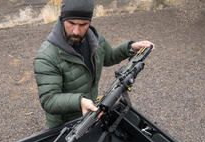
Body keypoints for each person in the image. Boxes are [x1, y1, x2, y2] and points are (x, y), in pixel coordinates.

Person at [33, 0, 154, 128]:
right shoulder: (47, 56)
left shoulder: (95, 40)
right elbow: (49, 100)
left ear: (90, 22)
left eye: (83, 24)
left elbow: (109, 57)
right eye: (71, 23)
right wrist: (80, 101)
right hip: (61, 126)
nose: (76, 31)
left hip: (89, 115)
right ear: (62, 18)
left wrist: (129, 48)